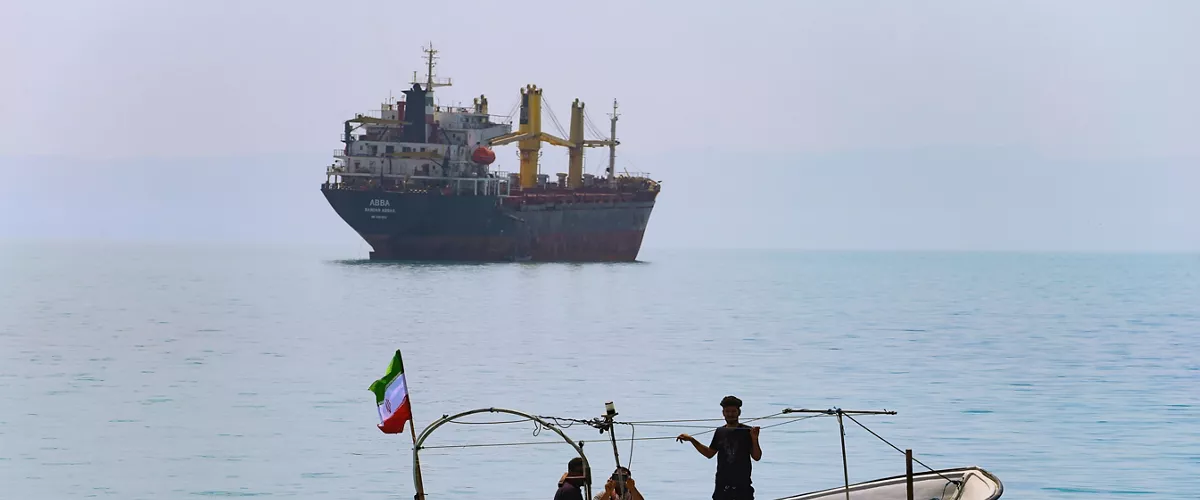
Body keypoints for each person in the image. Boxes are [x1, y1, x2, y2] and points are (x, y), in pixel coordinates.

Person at [676, 395, 762, 500]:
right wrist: (691, 440)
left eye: (733, 411)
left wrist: (754, 439)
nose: (730, 414)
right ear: (723, 413)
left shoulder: (748, 431)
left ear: (739, 412)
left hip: (742, 484)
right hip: (722, 485)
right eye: (727, 411)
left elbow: (756, 457)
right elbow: (709, 453)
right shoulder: (720, 431)